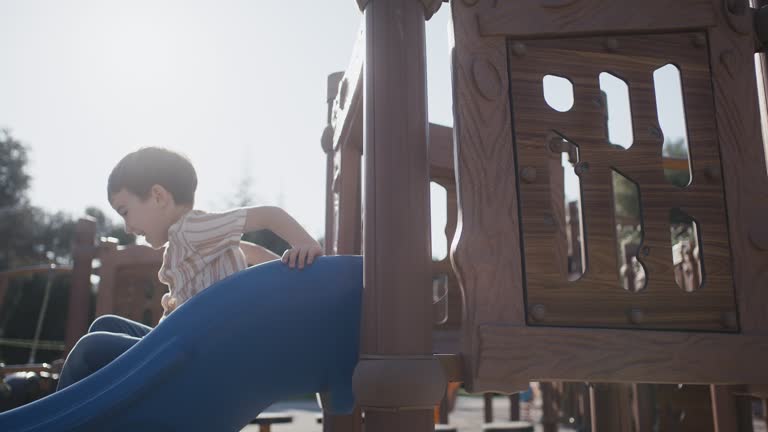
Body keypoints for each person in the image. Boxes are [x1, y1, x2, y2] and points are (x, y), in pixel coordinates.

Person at [57, 147, 323, 390]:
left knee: (89, 349)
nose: (127, 227)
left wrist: (305, 245)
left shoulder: (192, 229)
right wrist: (287, 273)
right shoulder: (185, 239)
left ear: (158, 196)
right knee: (105, 324)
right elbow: (247, 251)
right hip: (178, 344)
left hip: (193, 353)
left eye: (125, 211)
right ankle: (99, 407)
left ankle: (57, 418)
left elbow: (269, 214)